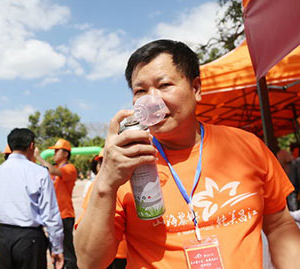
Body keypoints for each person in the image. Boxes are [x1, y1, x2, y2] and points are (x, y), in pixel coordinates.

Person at [75, 39, 300, 268]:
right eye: (141, 91)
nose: (152, 101)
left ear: (196, 88)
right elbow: (89, 262)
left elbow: (280, 226)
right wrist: (106, 183)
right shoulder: (124, 163)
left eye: (164, 85)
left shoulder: (247, 146)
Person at [0, 128, 64, 269]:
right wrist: (56, 248)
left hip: (4, 237)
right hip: (30, 238)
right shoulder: (40, 173)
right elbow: (50, 215)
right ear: (31, 146)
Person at [78, 149, 128, 269]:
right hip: (107, 254)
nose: (103, 166)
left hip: (127, 253)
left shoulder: (130, 183)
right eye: (101, 162)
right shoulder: (95, 187)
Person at [35, 138, 78, 269]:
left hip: (65, 215)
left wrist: (37, 157)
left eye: (56, 151)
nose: (54, 154)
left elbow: (53, 171)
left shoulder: (69, 168)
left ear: (65, 153)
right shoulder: (55, 170)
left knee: (66, 251)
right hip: (54, 216)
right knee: (55, 249)